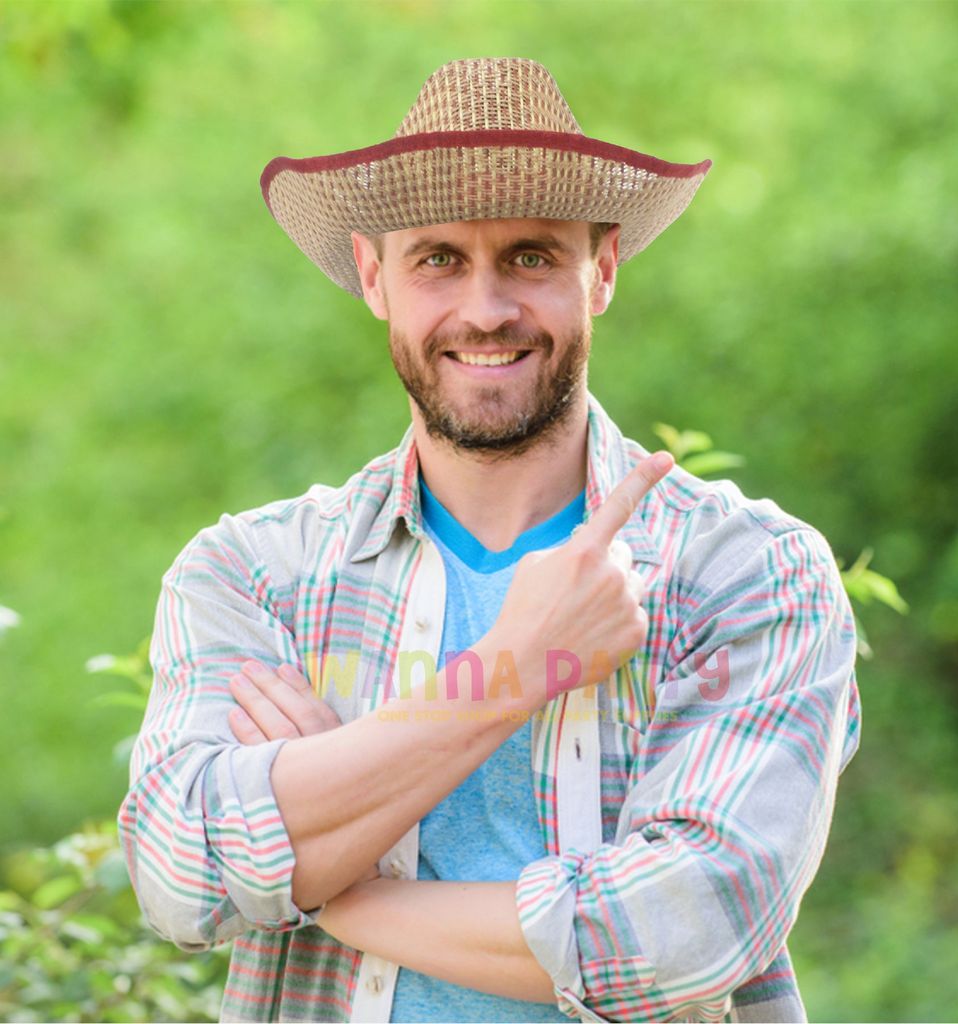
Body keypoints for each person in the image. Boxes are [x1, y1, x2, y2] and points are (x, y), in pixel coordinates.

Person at [118, 57, 861, 1024]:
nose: (485, 309)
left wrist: (326, 881)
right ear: (373, 276)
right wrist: (518, 666)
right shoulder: (257, 575)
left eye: (531, 257)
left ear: (602, 270)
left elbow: (690, 933)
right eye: (437, 259)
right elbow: (180, 877)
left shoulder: (747, 571)